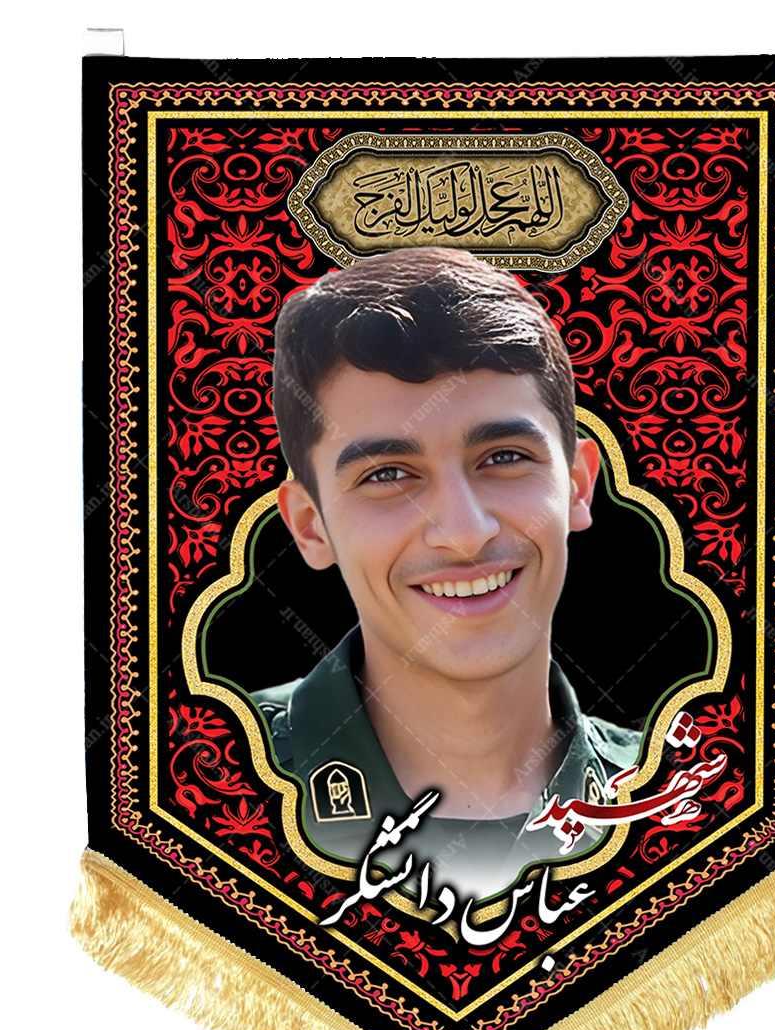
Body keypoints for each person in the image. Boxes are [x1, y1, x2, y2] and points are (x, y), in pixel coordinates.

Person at [250, 247, 641, 901]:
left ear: (576, 484)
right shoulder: (195, 777)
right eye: (387, 474)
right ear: (310, 526)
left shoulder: (697, 801)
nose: (464, 532)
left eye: (504, 457)